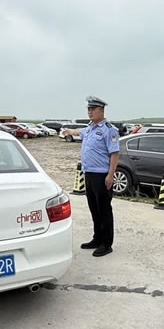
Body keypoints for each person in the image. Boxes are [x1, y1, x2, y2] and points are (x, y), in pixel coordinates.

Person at [62, 95, 120, 257]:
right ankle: (97, 238)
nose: (90, 112)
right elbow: (78, 131)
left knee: (104, 210)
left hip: (102, 176)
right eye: (88, 109)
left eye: (93, 109)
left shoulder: (109, 130)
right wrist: (68, 131)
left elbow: (115, 154)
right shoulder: (89, 128)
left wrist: (110, 175)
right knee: (94, 209)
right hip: (89, 174)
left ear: (102, 110)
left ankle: (106, 244)